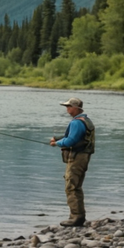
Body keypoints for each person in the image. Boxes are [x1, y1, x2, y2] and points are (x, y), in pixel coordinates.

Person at [49, 97, 95, 227]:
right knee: (76, 185)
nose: (67, 109)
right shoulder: (85, 120)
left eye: (69, 107)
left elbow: (71, 141)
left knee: (71, 186)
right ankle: (78, 216)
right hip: (84, 156)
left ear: (76, 108)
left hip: (77, 157)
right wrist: (58, 138)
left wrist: (57, 143)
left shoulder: (76, 122)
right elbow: (76, 137)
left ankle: (76, 217)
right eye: (66, 107)